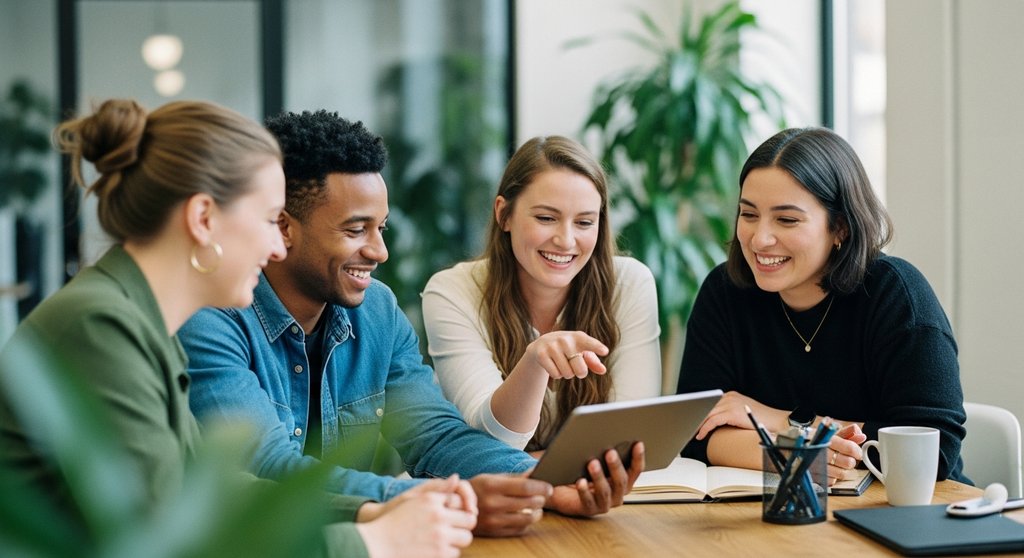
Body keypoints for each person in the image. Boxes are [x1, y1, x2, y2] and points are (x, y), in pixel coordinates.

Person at [0, 99, 478, 558]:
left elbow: (216, 493)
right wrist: (374, 544)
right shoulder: (102, 326)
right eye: (271, 220)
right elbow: (166, 541)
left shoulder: (137, 319)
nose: (276, 246)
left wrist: (375, 509)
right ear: (204, 219)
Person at [178, 110, 645, 538]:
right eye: (355, 229)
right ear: (283, 227)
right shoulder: (212, 318)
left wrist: (540, 483)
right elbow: (267, 466)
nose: (379, 252)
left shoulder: (376, 310)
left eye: (381, 228)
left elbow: (436, 436)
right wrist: (437, 500)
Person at [676, 126, 968, 485]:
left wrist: (781, 421)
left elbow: (932, 451)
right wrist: (801, 456)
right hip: (776, 515)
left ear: (840, 227)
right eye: (748, 214)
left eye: (786, 220)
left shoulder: (895, 294)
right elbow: (694, 433)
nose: (760, 239)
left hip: (906, 514)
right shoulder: (726, 290)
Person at [421, 135, 661, 452]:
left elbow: (629, 434)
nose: (565, 240)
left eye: (585, 222)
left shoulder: (631, 284)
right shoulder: (452, 292)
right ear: (503, 214)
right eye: (546, 218)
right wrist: (534, 363)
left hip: (594, 494)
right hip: (489, 495)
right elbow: (492, 442)